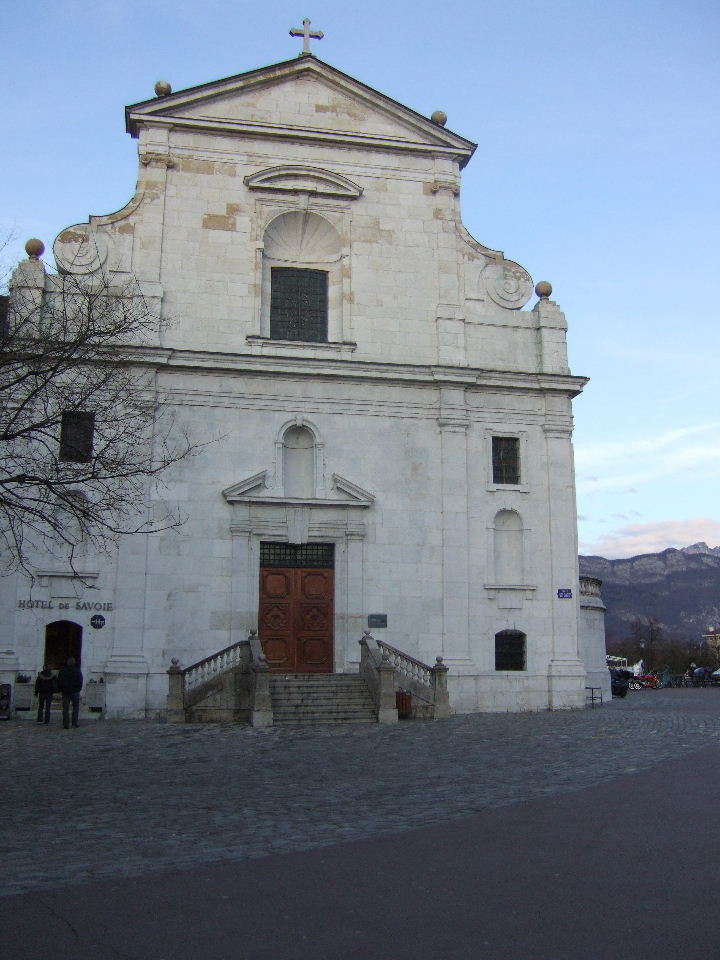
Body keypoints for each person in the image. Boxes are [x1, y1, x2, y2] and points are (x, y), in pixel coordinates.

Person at [57, 657, 83, 729]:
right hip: (75, 691)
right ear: (74, 663)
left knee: (65, 708)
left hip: (65, 692)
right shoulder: (77, 671)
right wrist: (78, 689)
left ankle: (66, 724)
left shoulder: (62, 671)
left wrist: (61, 689)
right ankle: (74, 723)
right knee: (75, 708)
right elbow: (80, 681)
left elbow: (59, 681)